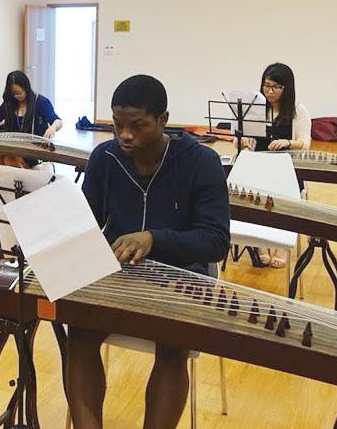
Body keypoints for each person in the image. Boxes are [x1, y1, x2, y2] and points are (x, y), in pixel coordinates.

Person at [68, 75, 230, 429]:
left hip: (183, 273)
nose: (125, 135)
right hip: (119, 272)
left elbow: (216, 241)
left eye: (137, 126)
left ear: (163, 120)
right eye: (118, 125)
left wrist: (155, 238)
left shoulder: (200, 162)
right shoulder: (104, 158)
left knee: (172, 346)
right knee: (79, 333)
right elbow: (87, 224)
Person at [241, 62, 311, 267]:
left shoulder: (298, 111)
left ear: (286, 88)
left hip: (286, 168)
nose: (270, 92)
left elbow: (306, 143)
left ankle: (281, 246)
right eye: (266, 86)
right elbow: (243, 138)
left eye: (276, 87)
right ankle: (260, 243)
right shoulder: (255, 109)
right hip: (260, 166)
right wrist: (242, 141)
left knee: (283, 201)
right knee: (253, 195)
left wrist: (288, 142)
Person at [0, 70, 63, 167]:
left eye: (19, 92)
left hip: (34, 151)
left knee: (11, 160)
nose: (17, 96)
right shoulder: (10, 103)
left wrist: (53, 127)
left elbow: (57, 120)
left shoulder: (40, 102)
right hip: (14, 148)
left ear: (26, 87)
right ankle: (0, 179)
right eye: (14, 94)